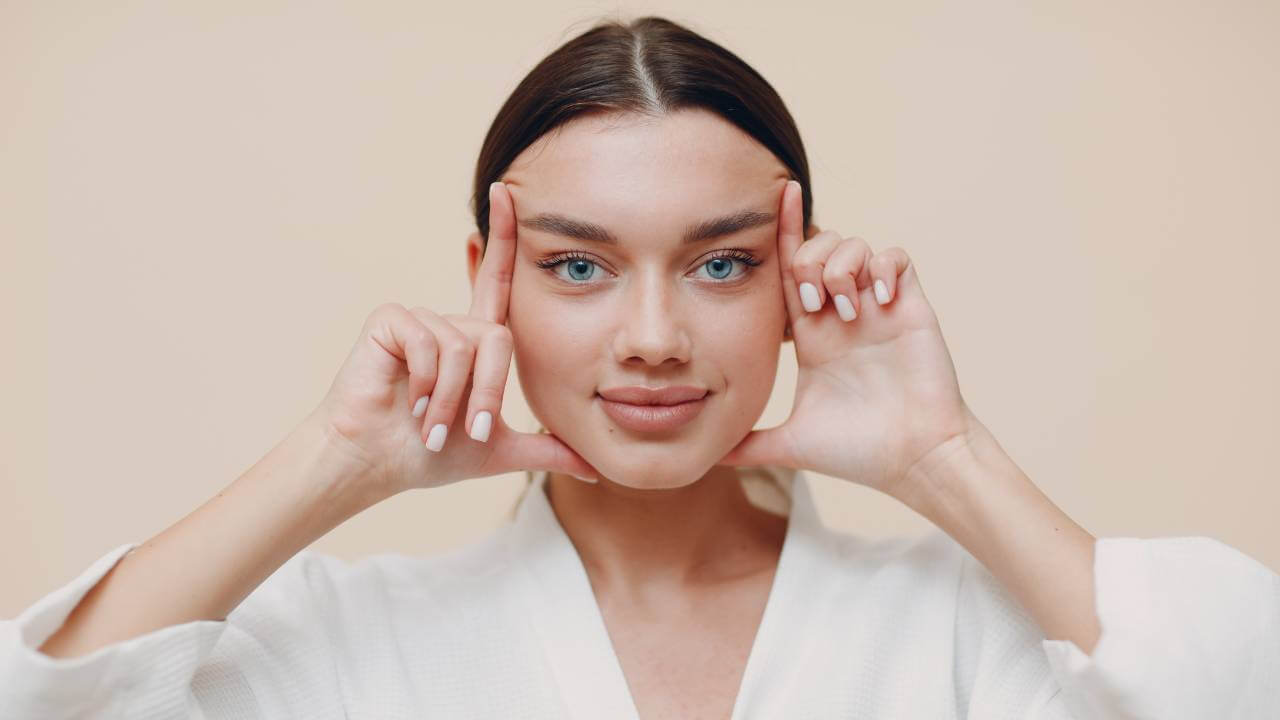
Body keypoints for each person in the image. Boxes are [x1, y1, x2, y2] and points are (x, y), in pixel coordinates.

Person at [2, 15, 1277, 720]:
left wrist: (943, 461)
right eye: (576, 266)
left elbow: (1229, 693)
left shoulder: (958, 625)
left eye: (721, 265)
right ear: (490, 280)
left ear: (795, 284)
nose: (655, 335)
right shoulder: (347, 639)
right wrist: (333, 465)